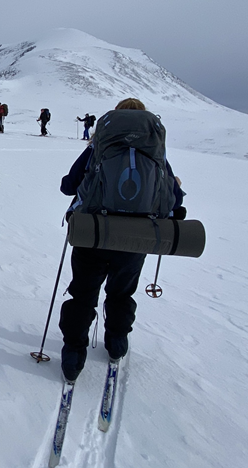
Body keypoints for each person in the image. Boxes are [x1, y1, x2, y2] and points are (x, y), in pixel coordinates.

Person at [57, 98, 185, 382]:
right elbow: (172, 200)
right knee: (121, 292)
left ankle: (73, 355)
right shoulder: (156, 153)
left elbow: (68, 187)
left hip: (93, 233)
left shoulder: (97, 149)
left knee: (82, 293)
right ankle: (116, 344)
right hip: (135, 238)